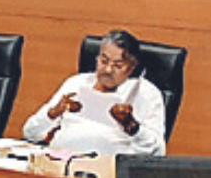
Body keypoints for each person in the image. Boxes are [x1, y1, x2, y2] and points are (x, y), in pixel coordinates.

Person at [23, 29, 166, 155]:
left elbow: (157, 151)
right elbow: (30, 133)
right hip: (57, 165)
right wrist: (53, 113)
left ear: (131, 68)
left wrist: (132, 126)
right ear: (97, 59)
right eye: (104, 61)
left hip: (107, 173)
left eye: (118, 65)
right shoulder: (76, 83)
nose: (108, 70)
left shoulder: (146, 94)